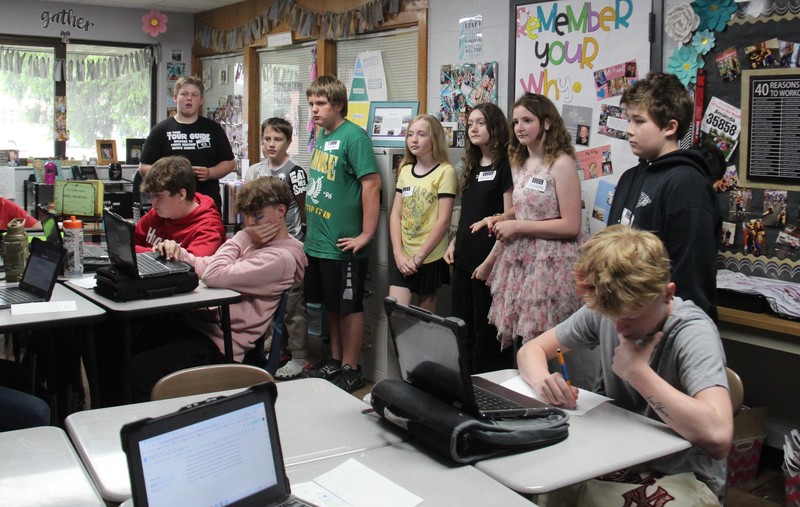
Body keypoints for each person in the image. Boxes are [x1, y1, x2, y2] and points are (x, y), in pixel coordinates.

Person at [517, 225, 732, 502]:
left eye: (630, 318)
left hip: (681, 473)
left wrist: (637, 372)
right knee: (540, 486)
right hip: (619, 455)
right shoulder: (612, 308)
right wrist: (541, 380)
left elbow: (718, 437)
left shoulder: (692, 332)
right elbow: (531, 350)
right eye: (611, 315)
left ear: (667, 293)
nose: (619, 327)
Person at [133, 176, 307, 401]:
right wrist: (180, 254)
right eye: (247, 216)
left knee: (137, 371)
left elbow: (214, 275)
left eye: (258, 215)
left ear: (281, 211)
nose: (251, 223)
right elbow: (210, 265)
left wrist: (242, 236)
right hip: (203, 328)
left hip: (221, 345)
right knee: (125, 338)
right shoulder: (259, 243)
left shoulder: (279, 258)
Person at [473, 93, 585, 352]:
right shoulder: (520, 160)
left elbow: (571, 225)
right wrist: (501, 218)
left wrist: (518, 226)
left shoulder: (562, 163)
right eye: (515, 122)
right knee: (524, 343)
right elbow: (525, 209)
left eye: (527, 120)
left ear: (546, 123)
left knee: (548, 345)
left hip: (551, 262)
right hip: (520, 259)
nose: (519, 128)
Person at [607, 71, 722, 321]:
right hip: (627, 320)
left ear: (670, 127)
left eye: (639, 121)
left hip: (668, 329)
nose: (629, 130)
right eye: (629, 120)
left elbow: (691, 280)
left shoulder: (688, 185)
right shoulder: (629, 178)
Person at [300, 75, 381, 393]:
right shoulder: (321, 134)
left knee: (349, 307)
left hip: (345, 243)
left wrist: (366, 234)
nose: (314, 110)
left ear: (337, 104)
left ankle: (351, 366)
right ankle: (334, 359)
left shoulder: (354, 136)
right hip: (318, 241)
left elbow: (371, 184)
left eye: (320, 104)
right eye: (311, 104)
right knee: (330, 306)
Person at [444, 103, 514, 373]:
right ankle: (467, 393)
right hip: (464, 260)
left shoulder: (506, 165)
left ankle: (490, 397)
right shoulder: (471, 165)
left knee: (488, 337)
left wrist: (489, 263)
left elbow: (509, 217)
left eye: (480, 123)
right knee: (463, 331)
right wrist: (453, 242)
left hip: (491, 264)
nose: (473, 128)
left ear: (495, 127)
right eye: (470, 123)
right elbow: (467, 213)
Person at [245, 117, 310, 380]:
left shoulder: (294, 172)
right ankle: (276, 343)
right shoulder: (254, 171)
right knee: (267, 301)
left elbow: (303, 209)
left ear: (288, 143)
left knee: (293, 305)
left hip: (287, 248)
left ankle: (300, 356)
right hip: (262, 248)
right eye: (267, 139)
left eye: (278, 139)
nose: (271, 144)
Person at [389, 114, 457, 312]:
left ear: (434, 138)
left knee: (423, 321)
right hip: (403, 254)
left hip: (429, 256)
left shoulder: (445, 172)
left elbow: (443, 221)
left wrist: (418, 258)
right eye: (410, 134)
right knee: (396, 313)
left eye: (421, 134)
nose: (414, 140)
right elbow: (395, 215)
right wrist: (398, 254)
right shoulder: (405, 170)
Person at [139, 75, 236, 211]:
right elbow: (143, 168)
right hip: (170, 204)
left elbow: (230, 163)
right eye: (184, 94)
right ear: (175, 97)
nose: (189, 98)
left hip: (206, 205)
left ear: (201, 100)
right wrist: (170, 176)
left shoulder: (213, 129)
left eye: (194, 95)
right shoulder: (160, 130)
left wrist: (210, 172)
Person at [135, 156, 225, 257]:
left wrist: (148, 253)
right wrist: (157, 254)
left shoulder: (209, 229)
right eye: (151, 195)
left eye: (158, 195)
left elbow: (189, 268)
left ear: (181, 194)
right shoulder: (158, 212)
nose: (152, 201)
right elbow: (126, 246)